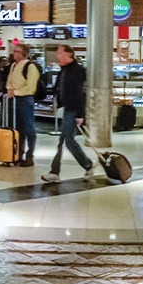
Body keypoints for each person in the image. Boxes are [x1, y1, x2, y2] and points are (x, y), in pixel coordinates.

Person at [41, 45, 93, 183]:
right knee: (62, 141)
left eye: (59, 53)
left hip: (73, 110)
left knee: (69, 141)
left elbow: (79, 93)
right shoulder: (64, 70)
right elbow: (59, 88)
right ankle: (54, 171)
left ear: (67, 54)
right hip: (68, 109)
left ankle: (87, 165)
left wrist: (80, 114)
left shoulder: (78, 71)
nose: (57, 55)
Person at [6, 44, 39, 165]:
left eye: (17, 51)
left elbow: (31, 88)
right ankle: (18, 153)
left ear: (23, 53)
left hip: (25, 100)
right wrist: (10, 89)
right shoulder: (14, 66)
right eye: (14, 51)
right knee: (18, 129)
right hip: (15, 99)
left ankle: (30, 155)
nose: (15, 53)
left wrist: (15, 92)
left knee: (29, 127)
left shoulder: (31, 67)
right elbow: (9, 81)